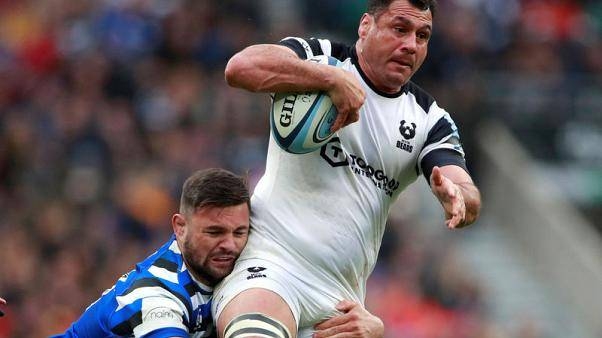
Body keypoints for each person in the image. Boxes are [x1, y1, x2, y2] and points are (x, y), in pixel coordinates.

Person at [212, 0, 482, 338]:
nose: (410, 44)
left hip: (343, 307)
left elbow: (465, 190)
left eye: (422, 36)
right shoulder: (321, 57)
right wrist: (328, 79)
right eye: (400, 29)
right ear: (366, 26)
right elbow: (240, 68)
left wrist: (459, 197)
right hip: (269, 267)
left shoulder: (429, 120)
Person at [52, 168, 383, 337]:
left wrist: (370, 329)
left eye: (240, 232)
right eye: (214, 232)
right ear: (179, 227)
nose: (229, 244)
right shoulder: (156, 301)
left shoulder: (239, 261)